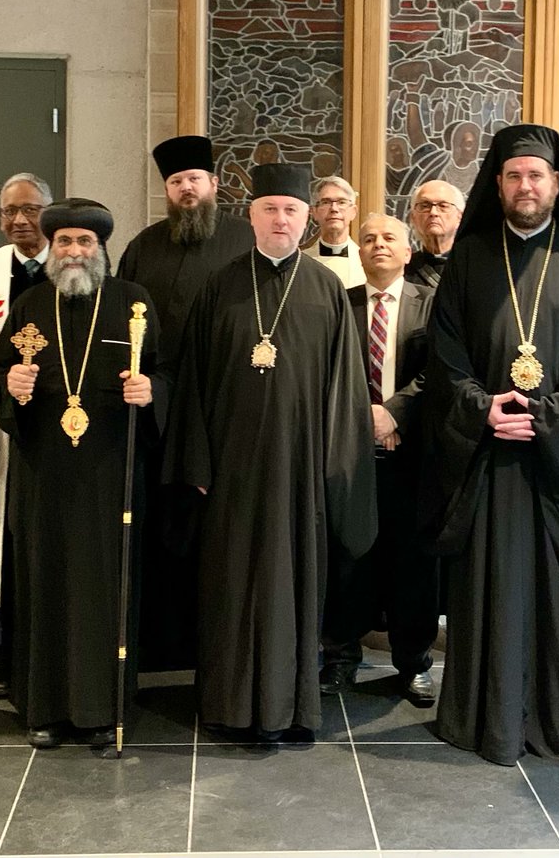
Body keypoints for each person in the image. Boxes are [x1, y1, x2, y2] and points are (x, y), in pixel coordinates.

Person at [422, 123, 559, 766]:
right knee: (489, 588)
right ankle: (481, 716)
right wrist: (483, 409)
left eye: (536, 175)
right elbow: (445, 353)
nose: (525, 185)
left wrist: (545, 416)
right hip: (488, 460)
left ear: (557, 184)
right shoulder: (470, 260)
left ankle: (554, 720)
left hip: (558, 465)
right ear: (498, 184)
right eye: (513, 175)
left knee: (553, 599)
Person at [165, 163, 376, 741]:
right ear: (251, 216)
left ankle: (290, 707)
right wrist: (197, 463)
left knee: (293, 584)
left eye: (290, 211)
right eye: (269, 210)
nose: (280, 219)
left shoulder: (327, 289)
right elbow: (192, 381)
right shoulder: (219, 285)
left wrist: (336, 467)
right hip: (230, 470)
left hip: (300, 471)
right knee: (230, 584)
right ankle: (227, 706)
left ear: (306, 220)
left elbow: (346, 390)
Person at [0, 198, 161, 748]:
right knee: (44, 582)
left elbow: (168, 372)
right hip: (44, 474)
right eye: (64, 241)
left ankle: (104, 709)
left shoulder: (133, 303)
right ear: (51, 248)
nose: (75, 251)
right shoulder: (31, 304)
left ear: (101, 249)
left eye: (86, 241)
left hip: (111, 475)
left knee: (105, 587)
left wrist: (152, 391)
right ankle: (45, 708)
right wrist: (9, 386)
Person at [117, 134, 254, 671]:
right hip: (156, 411)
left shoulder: (246, 239)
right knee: (158, 527)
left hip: (225, 411)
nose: (186, 188)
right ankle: (159, 646)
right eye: (175, 182)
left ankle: (215, 646)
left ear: (214, 183)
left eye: (194, 178)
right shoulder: (143, 246)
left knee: (218, 529)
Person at [321, 214, 437, 706]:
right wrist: (364, 418)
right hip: (351, 453)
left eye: (389, 238)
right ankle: (340, 657)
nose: (378, 245)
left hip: (411, 457)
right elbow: (324, 371)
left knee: (413, 566)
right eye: (368, 239)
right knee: (348, 559)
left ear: (408, 251)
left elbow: (441, 372)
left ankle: (414, 663)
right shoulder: (340, 303)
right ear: (359, 252)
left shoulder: (433, 305)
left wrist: (394, 415)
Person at [0, 172, 54, 700]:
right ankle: (4, 651)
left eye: (31, 209)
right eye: (10, 211)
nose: (20, 220)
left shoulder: (73, 265)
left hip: (57, 429)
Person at [406, 179, 464, 289]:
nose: (433, 212)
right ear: (413, 218)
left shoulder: (474, 265)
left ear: (459, 217)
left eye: (443, 206)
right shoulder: (402, 268)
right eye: (425, 206)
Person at [307, 176, 364, 288]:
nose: (334, 209)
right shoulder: (301, 262)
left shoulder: (366, 261)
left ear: (353, 212)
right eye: (325, 202)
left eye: (341, 202)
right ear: (314, 212)